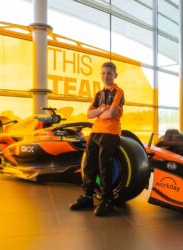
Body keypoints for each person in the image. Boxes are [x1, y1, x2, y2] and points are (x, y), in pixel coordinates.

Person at [69, 61, 124, 216]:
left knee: (103, 165)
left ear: (115, 76)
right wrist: (101, 110)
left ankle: (107, 200)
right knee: (88, 164)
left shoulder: (119, 92)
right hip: (95, 131)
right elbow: (89, 114)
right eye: (103, 73)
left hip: (110, 132)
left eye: (109, 73)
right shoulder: (98, 95)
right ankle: (88, 196)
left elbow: (112, 114)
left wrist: (99, 113)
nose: (106, 76)